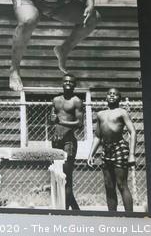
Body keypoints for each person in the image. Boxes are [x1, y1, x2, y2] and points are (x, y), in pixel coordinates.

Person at [87, 88, 136, 212]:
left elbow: (133, 131)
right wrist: (91, 154)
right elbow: (98, 136)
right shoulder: (100, 114)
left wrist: (131, 154)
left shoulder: (122, 112)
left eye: (115, 94)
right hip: (106, 150)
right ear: (106, 97)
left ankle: (131, 218)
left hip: (119, 148)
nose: (112, 96)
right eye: (110, 94)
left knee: (121, 184)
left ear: (119, 98)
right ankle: (112, 217)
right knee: (109, 186)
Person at [50, 73, 83, 210]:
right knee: (57, 175)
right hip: (56, 141)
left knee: (66, 176)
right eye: (66, 81)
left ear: (74, 85)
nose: (68, 83)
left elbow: (80, 123)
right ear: (62, 83)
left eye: (71, 82)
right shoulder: (56, 99)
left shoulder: (77, 101)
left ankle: (67, 209)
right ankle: (74, 209)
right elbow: (53, 118)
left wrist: (62, 122)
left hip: (68, 142)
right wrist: (52, 120)